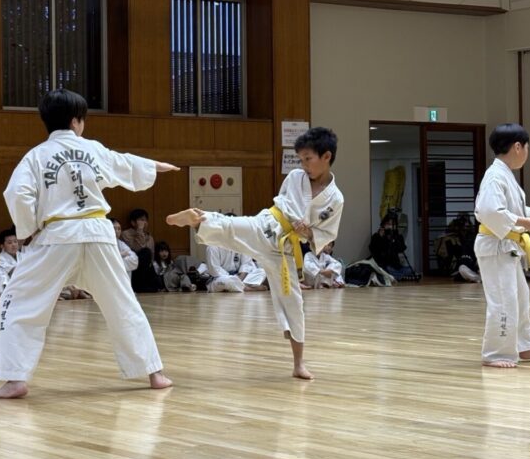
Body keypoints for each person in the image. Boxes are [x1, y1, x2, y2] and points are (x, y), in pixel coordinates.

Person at [0, 88, 176, 399]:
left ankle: (15, 378)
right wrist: (154, 166)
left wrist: (28, 229)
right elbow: (123, 163)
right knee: (122, 303)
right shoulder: (92, 149)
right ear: (76, 121)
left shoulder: (36, 155)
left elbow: (17, 193)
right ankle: (154, 372)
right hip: (99, 234)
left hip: (57, 236)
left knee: (19, 301)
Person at [168, 127, 343, 380]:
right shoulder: (295, 177)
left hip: (285, 250)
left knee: (294, 303)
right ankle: (197, 218)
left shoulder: (335, 199)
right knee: (231, 227)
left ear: (326, 156)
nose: (304, 165)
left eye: (308, 159)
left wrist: (307, 231)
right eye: (301, 159)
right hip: (268, 225)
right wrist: (295, 222)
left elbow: (324, 235)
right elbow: (282, 205)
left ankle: (298, 364)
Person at [475, 122, 530, 368]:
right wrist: (522, 221)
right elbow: (489, 211)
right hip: (495, 246)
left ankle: (524, 346)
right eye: (527, 147)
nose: (527, 152)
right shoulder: (494, 176)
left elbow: (509, 207)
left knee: (520, 297)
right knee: (503, 300)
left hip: (506, 247)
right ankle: (495, 353)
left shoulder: (504, 174)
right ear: (518, 147)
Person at [122, 208, 160, 293]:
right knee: (145, 252)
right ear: (133, 222)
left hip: (147, 269)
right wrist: (139, 231)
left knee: (156, 286)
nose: (144, 223)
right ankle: (138, 286)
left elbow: (151, 256)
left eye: (146, 220)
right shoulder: (126, 234)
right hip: (134, 267)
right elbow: (136, 249)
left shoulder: (150, 237)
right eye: (141, 220)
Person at [369, 214, 417, 281]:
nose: (390, 226)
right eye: (388, 224)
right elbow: (372, 249)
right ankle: (401, 277)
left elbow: (402, 249)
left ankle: (397, 277)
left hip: (396, 266)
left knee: (411, 269)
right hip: (384, 265)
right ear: (383, 225)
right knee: (386, 269)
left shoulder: (397, 236)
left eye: (392, 225)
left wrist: (396, 238)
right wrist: (380, 237)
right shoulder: (377, 236)